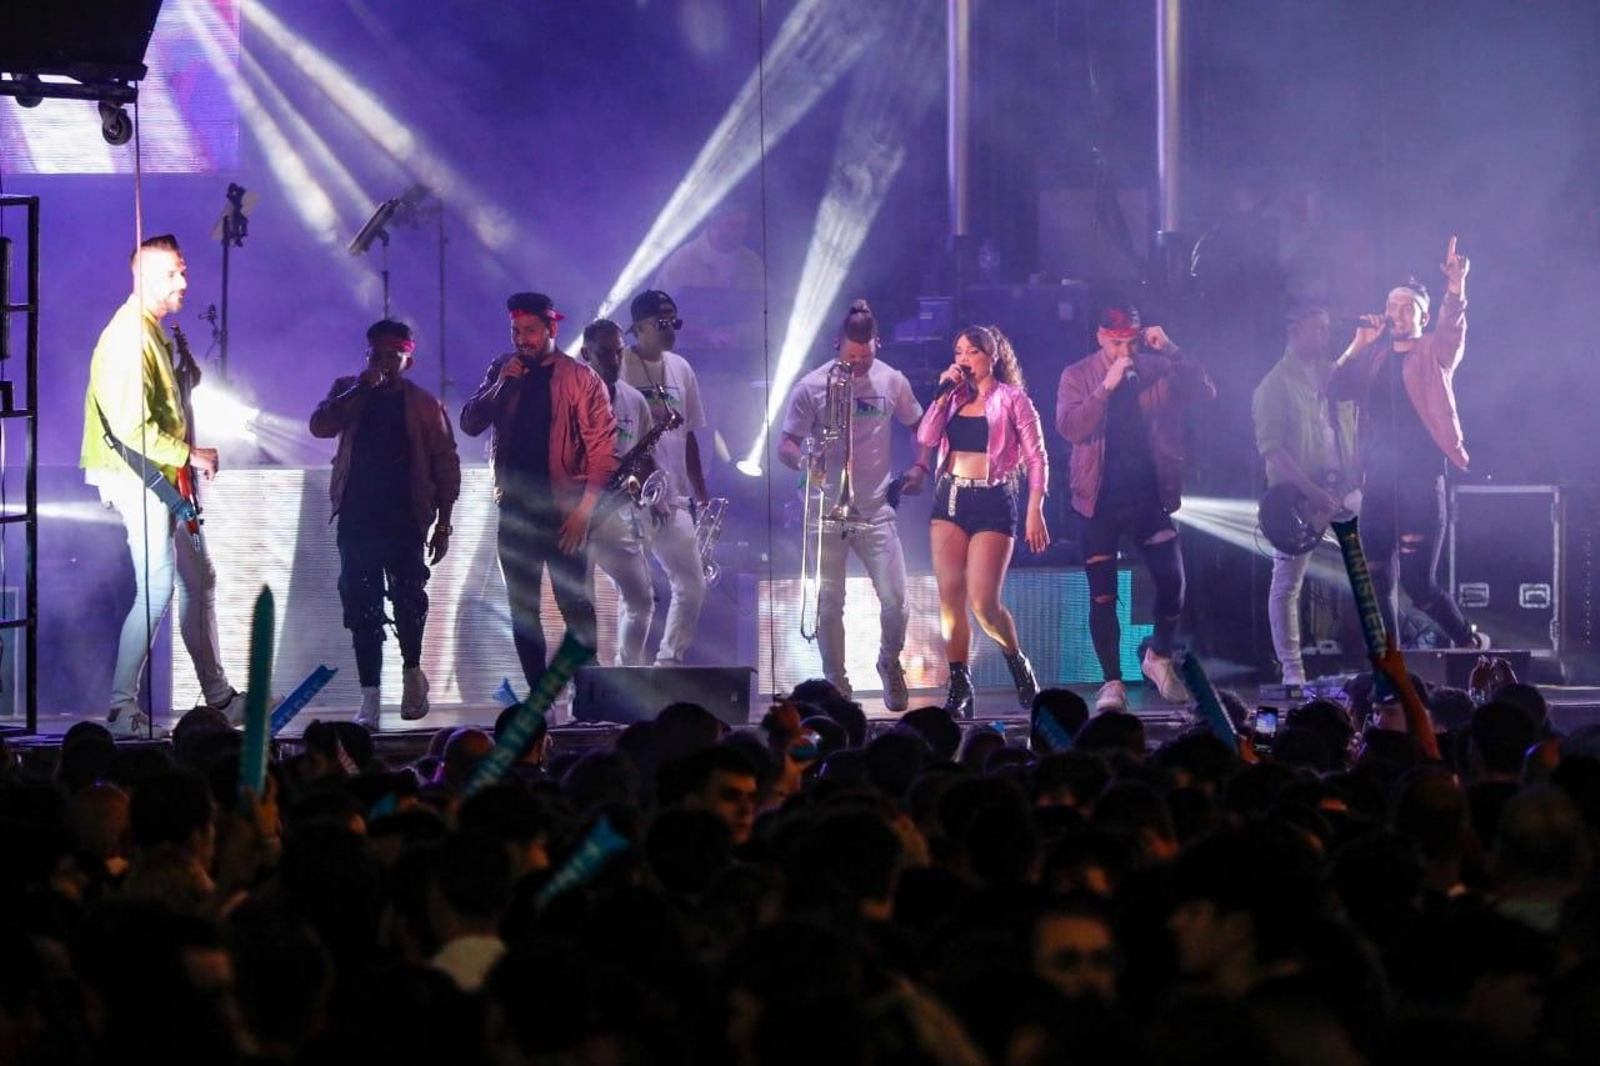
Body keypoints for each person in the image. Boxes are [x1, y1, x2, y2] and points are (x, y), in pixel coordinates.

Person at [80, 234, 238, 737]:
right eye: (173, 273)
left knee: (199, 579)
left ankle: (220, 698)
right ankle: (121, 707)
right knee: (157, 585)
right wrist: (190, 454)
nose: (184, 282)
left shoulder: (154, 333)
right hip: (135, 474)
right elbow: (130, 430)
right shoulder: (129, 338)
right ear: (144, 278)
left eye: (183, 270)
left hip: (162, 475)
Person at [1056, 305, 1216, 712]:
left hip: (1147, 494)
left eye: (1130, 342)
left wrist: (1174, 350)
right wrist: (1105, 387)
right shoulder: (1077, 375)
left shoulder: (1155, 368)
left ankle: (1158, 658)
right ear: (1100, 337)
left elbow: (1205, 392)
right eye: (1115, 343)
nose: (1123, 351)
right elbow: (1072, 428)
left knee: (1172, 580)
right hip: (1097, 498)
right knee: (1103, 596)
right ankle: (1112, 682)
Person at [1327, 237, 1482, 650]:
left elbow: (1453, 325)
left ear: (1422, 315)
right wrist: (1358, 343)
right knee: (1377, 578)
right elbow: (1333, 387)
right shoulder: (1374, 358)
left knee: (1418, 582)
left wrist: (1456, 286)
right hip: (1378, 482)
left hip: (1419, 480)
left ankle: (1466, 640)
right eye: (1391, 306)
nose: (1395, 313)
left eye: (1405, 307)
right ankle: (1391, 664)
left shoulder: (1434, 351)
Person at [460, 293, 617, 690]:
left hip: (564, 510)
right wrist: (501, 385)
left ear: (551, 329)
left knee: (576, 604)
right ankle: (538, 697)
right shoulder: (503, 370)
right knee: (523, 610)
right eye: (516, 331)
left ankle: (589, 691)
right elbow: (470, 423)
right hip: (515, 511)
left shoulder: (580, 378)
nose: (522, 339)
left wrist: (583, 513)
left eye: (530, 331)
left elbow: (602, 451)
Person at [309, 319, 461, 729]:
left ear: (407, 359)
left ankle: (413, 674)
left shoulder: (424, 404)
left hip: (405, 518)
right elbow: (320, 425)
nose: (383, 362)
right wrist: (360, 388)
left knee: (409, 600)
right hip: (358, 516)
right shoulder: (349, 390)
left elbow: (447, 463)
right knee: (362, 606)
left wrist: (444, 523)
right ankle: (370, 698)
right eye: (376, 355)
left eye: (392, 355)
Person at [777, 300, 927, 710]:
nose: (858, 366)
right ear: (836, 347)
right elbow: (786, 444)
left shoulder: (892, 381)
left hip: (875, 510)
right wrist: (802, 458)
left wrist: (921, 465)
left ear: (877, 344)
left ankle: (888, 661)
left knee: (896, 599)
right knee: (829, 602)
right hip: (825, 511)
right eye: (850, 357)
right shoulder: (811, 386)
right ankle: (836, 683)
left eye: (866, 357)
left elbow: (921, 427)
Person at [915, 325, 1050, 718]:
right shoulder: (952, 399)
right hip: (950, 498)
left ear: (993, 357)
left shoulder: (1013, 399)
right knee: (950, 598)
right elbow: (926, 434)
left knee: (983, 603)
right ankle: (960, 686)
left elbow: (1037, 456)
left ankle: (1016, 661)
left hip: (993, 500)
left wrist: (1035, 507)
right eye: (958, 351)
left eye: (972, 352)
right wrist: (941, 396)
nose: (964, 359)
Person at [1251, 304, 1359, 685]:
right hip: (1300, 497)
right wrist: (1310, 491)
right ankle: (1292, 670)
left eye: (1327, 328)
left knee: (1370, 573)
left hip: (1344, 489)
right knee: (1288, 582)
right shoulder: (1274, 385)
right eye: (1317, 329)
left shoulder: (1334, 376)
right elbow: (1272, 449)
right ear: (1294, 331)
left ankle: (1378, 659)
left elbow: (1351, 427)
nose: (1325, 337)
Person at [619, 289, 710, 665]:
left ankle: (668, 665)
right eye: (661, 323)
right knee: (638, 597)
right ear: (638, 328)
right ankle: (626, 672)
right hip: (630, 499)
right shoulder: (619, 363)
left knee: (692, 585)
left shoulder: (682, 368)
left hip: (674, 498)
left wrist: (700, 492)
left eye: (675, 321)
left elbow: (688, 435)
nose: (670, 329)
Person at [578, 318, 657, 666]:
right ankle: (581, 685)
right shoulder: (570, 396)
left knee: (641, 599)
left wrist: (638, 481)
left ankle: (628, 674)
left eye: (618, 353)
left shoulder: (634, 400)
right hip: (578, 513)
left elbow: (644, 454)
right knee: (580, 606)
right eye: (604, 354)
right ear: (585, 354)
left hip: (619, 513)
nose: (613, 361)